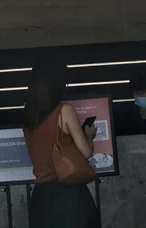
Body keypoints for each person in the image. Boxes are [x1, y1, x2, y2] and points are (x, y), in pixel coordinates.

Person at [22, 59, 101, 228]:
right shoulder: (64, 111)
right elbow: (86, 152)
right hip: (69, 195)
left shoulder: (28, 116)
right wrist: (89, 136)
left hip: (41, 199)